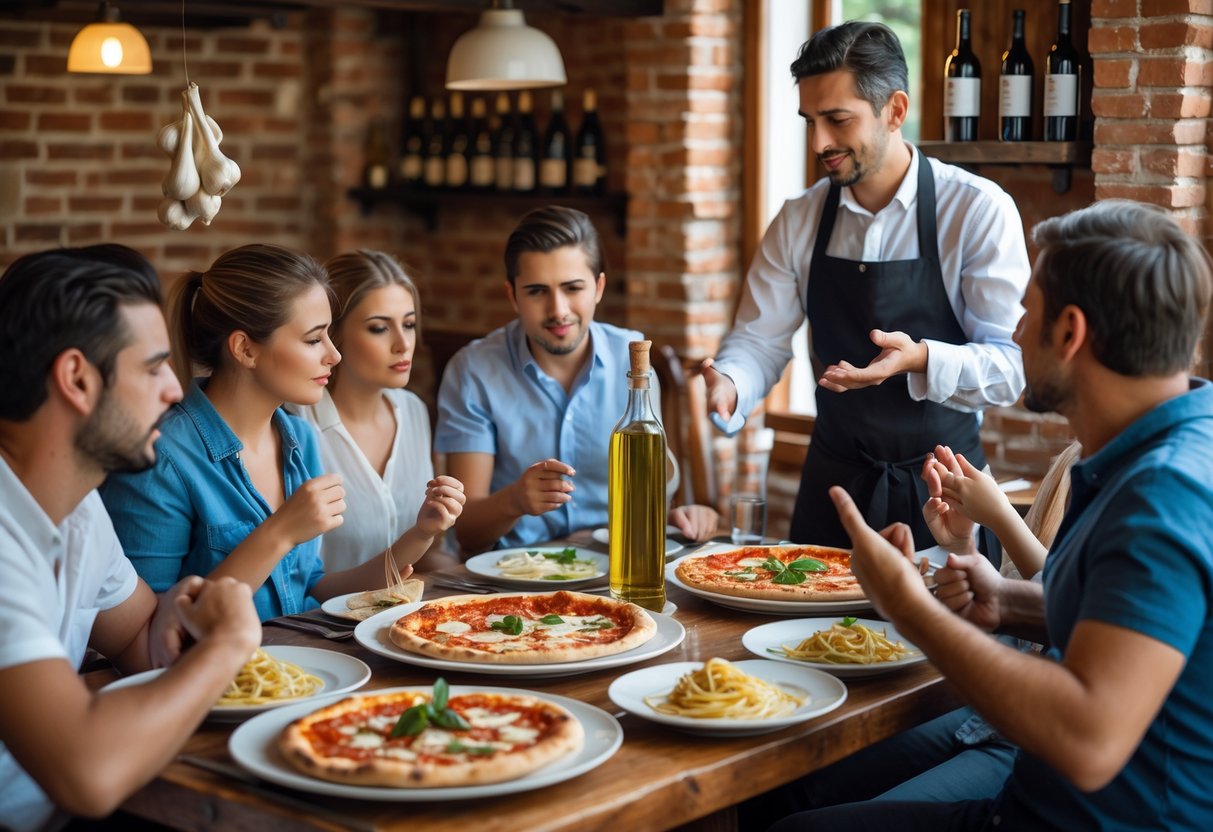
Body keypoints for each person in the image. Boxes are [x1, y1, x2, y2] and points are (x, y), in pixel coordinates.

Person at [781, 199, 1213, 831]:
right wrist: (1011, 602)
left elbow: (1089, 742)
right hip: (1031, 798)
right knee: (793, 787)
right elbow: (1131, 622)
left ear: (1070, 332)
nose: (1013, 333)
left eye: (1026, 313)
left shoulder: (1162, 495)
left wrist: (913, 609)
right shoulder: (1166, 442)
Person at [702, 21, 1029, 553]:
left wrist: (921, 358)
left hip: (949, 500)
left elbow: (1011, 368)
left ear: (895, 110)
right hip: (832, 497)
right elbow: (759, 340)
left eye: (837, 120)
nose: (819, 143)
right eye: (810, 121)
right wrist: (732, 383)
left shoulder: (976, 210)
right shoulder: (798, 219)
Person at [0, 246, 261, 830]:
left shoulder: (79, 508)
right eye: (152, 367)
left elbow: (142, 639)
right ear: (76, 379)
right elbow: (86, 775)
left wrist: (186, 610)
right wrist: (226, 646)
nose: (174, 390)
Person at [100, 245, 464, 620]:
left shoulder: (298, 438)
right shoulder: (161, 456)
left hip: (300, 668)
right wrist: (280, 533)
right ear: (245, 349)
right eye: (313, 339)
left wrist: (420, 534)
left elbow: (314, 589)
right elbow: (152, 630)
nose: (333, 355)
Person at [435, 206, 719, 554]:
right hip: (514, 578)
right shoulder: (472, 370)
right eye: (537, 291)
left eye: (573, 288)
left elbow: (650, 500)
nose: (558, 309)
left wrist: (680, 517)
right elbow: (466, 532)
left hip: (617, 568)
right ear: (513, 296)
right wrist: (515, 501)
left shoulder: (632, 359)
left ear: (598, 287)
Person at [290, 250, 465, 574]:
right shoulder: (296, 424)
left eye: (409, 324)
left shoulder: (412, 410)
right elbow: (296, 578)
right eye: (379, 328)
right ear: (334, 333)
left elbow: (424, 556)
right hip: (320, 620)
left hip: (399, 612)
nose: (403, 344)